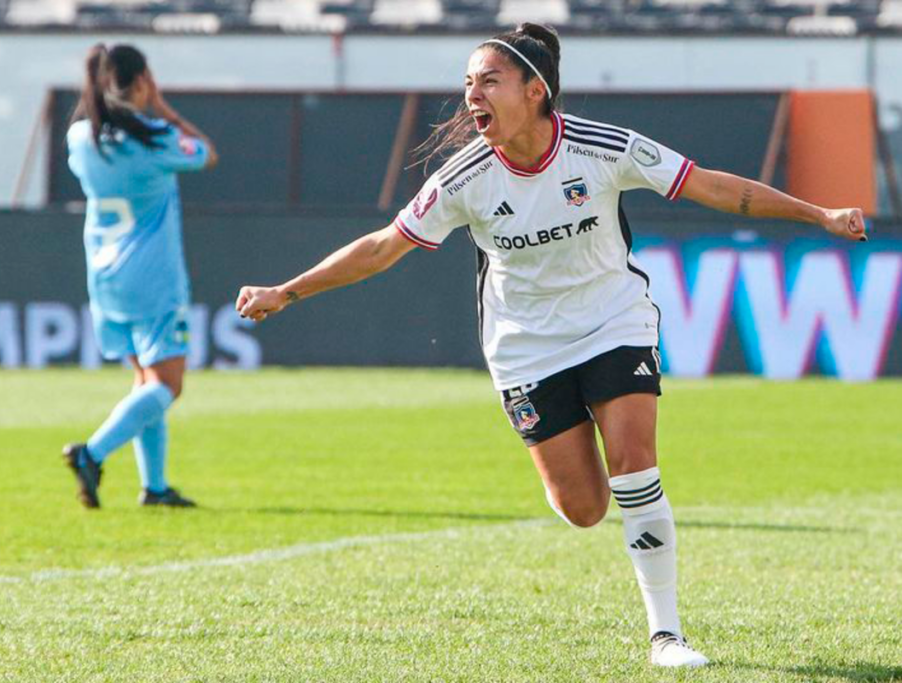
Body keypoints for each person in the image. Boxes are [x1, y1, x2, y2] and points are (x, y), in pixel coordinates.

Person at [236, 24, 866, 667]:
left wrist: (818, 215)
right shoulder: (464, 178)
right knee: (585, 508)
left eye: (488, 81)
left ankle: (666, 635)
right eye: (467, 84)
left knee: (634, 462)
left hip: (613, 322)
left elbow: (717, 187)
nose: (470, 95)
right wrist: (289, 290)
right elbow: (382, 247)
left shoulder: (604, 148)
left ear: (536, 91)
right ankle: (569, 474)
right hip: (525, 348)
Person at [62, 44, 217, 510]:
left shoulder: (80, 137)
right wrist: (163, 108)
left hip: (104, 274)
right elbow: (206, 153)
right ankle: (92, 453)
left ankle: (155, 486)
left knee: (145, 382)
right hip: (152, 278)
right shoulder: (154, 138)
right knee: (168, 385)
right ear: (143, 80)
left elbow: (91, 131)